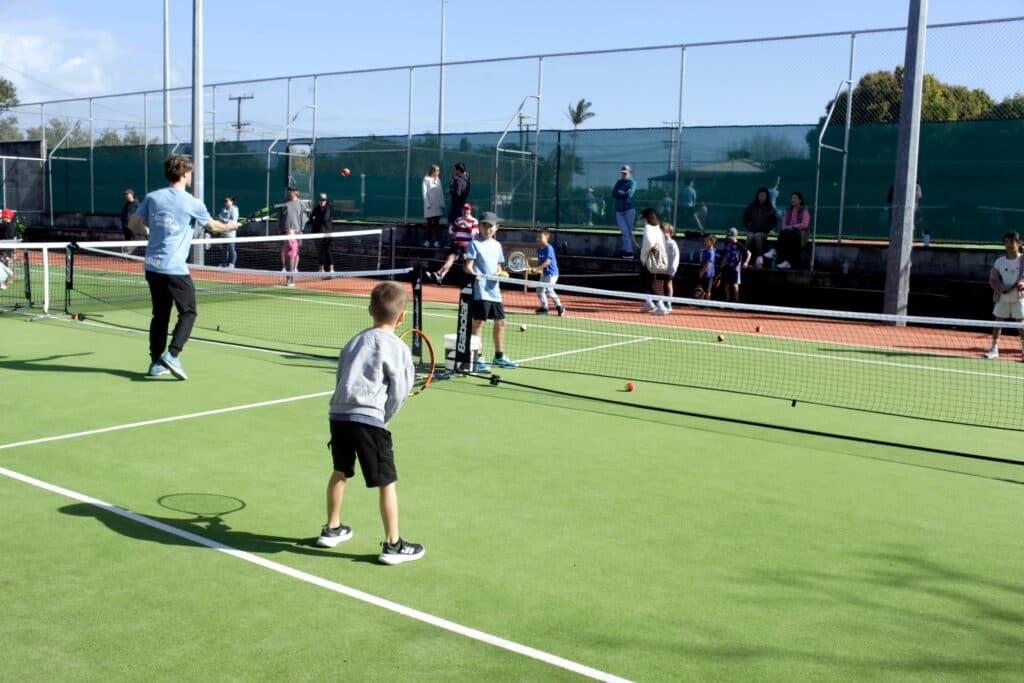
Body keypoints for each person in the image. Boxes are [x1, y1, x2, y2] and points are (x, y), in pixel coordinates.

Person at [316, 280, 425, 565]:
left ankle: (332, 529)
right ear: (402, 316)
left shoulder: (354, 341)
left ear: (369, 311)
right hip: (369, 420)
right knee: (386, 482)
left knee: (340, 471)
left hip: (338, 416)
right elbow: (400, 391)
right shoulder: (398, 348)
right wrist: (383, 418)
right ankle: (393, 545)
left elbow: (341, 376)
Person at [126, 154, 239, 379]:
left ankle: (155, 362)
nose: (191, 178)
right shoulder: (192, 202)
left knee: (160, 315)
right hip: (174, 268)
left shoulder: (152, 197)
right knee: (189, 312)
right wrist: (231, 226)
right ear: (185, 174)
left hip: (152, 266)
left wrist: (147, 231)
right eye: (190, 174)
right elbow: (214, 226)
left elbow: (133, 224)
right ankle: (172, 355)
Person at [464, 211, 518, 370]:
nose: (487, 229)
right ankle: (477, 357)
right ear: (479, 226)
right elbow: (468, 266)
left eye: (490, 226)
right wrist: (474, 275)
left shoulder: (497, 246)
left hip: (495, 292)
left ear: (496, 228)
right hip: (480, 290)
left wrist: (502, 273)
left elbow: (498, 267)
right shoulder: (474, 244)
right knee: (478, 323)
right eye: (484, 225)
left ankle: (499, 357)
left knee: (501, 322)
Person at [984, 231, 1024, 360]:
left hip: (1019, 298)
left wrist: (1023, 284)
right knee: (998, 324)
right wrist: (1002, 288)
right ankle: (994, 350)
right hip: (1003, 297)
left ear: (1018, 243)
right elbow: (993, 279)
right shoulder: (1000, 261)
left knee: (1021, 325)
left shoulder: (1023, 259)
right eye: (1006, 242)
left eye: (1011, 242)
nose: (1008, 245)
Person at [428, 203, 478, 284]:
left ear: (470, 211)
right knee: (450, 259)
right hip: (457, 245)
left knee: (457, 261)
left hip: (466, 247)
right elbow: (450, 231)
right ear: (462, 210)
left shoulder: (474, 221)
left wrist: (466, 226)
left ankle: (440, 273)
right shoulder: (458, 220)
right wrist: (457, 226)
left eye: (467, 209)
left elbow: (475, 234)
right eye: (464, 209)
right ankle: (441, 275)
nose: (465, 211)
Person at [638, 208, 667, 315]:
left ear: (646, 218)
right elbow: (661, 243)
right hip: (656, 260)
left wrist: (645, 254)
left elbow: (650, 243)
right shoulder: (658, 229)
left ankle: (660, 306)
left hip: (649, 260)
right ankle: (648, 302)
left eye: (642, 217)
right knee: (645, 281)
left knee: (649, 284)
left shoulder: (647, 228)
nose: (641, 219)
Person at [531, 228, 564, 316]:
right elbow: (540, 262)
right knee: (539, 290)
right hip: (545, 274)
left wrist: (537, 269)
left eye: (540, 237)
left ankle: (560, 306)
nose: (538, 239)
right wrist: (536, 269)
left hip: (552, 274)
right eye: (537, 237)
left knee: (549, 290)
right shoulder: (539, 249)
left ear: (547, 238)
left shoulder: (549, 248)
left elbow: (547, 262)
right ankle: (545, 308)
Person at [742, 186, 777, 268]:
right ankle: (745, 258)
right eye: (760, 195)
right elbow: (745, 216)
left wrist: (768, 228)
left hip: (764, 232)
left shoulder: (770, 208)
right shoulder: (752, 206)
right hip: (752, 230)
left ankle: (759, 259)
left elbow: (774, 220)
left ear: (766, 196)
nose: (762, 197)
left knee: (758, 236)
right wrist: (748, 224)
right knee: (749, 237)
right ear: (758, 196)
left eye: (764, 195)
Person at [279, 187, 306, 287]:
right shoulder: (284, 202)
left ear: (295, 193)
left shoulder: (301, 204)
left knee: (295, 253)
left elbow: (303, 217)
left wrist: (301, 230)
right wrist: (281, 228)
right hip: (285, 232)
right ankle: (286, 272)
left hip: (297, 232)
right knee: (286, 254)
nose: (289, 193)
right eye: (288, 191)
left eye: (291, 191)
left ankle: (293, 272)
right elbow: (280, 216)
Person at [777, 191, 809, 270]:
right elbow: (783, 224)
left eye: (795, 198)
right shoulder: (788, 211)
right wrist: (788, 227)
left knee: (791, 235)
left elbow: (805, 224)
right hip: (788, 232)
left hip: (798, 232)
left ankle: (787, 261)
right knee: (784, 233)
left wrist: (793, 226)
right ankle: (783, 260)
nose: (792, 200)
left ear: (800, 200)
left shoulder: (804, 211)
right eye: (792, 198)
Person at [612, 165, 637, 258]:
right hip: (619, 210)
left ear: (630, 173)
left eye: (625, 173)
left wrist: (619, 192)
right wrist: (623, 192)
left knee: (627, 232)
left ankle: (626, 251)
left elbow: (629, 194)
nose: (623, 174)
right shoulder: (619, 182)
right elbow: (613, 193)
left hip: (629, 210)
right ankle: (628, 252)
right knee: (624, 231)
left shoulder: (632, 182)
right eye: (622, 173)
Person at [656, 222, 680, 313]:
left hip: (669, 269)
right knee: (659, 284)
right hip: (660, 269)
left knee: (669, 284)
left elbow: (675, 256)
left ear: (669, 233)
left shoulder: (672, 244)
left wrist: (673, 269)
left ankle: (669, 303)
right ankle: (660, 303)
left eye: (664, 232)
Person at [720, 227, 747, 302]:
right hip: (727, 266)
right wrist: (723, 262)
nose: (730, 239)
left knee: (735, 284)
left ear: (736, 236)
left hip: (735, 268)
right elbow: (725, 254)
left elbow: (749, 253)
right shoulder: (727, 243)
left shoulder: (739, 245)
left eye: (731, 237)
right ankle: (727, 300)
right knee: (726, 284)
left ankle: (736, 301)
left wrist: (746, 262)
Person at [309, 193, 334, 272]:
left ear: (326, 200)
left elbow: (324, 219)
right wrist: (316, 219)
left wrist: (316, 218)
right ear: (319, 200)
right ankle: (321, 269)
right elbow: (310, 219)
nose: (322, 201)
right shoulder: (316, 209)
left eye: (324, 200)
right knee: (319, 252)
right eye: (321, 200)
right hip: (317, 233)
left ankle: (331, 269)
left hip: (327, 234)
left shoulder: (328, 208)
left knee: (327, 251)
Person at [422, 164, 444, 247]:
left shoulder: (438, 180)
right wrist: (427, 204)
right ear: (432, 171)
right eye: (437, 170)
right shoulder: (426, 179)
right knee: (429, 224)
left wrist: (442, 204)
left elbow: (441, 192)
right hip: (429, 206)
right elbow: (424, 192)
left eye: (439, 170)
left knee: (437, 224)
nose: (439, 172)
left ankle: (437, 241)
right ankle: (427, 241)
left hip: (437, 206)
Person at [447, 162, 470, 228]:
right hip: (462, 204)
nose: (454, 171)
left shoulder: (458, 180)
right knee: (460, 221)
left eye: (455, 170)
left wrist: (450, 190)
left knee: (452, 221)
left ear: (459, 170)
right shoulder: (467, 178)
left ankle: (453, 236)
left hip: (456, 206)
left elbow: (458, 193)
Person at [217, 196, 239, 268]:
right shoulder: (223, 209)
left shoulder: (234, 210)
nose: (225, 202)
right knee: (224, 250)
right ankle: (223, 263)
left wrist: (224, 220)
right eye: (225, 201)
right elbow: (220, 218)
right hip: (224, 232)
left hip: (231, 234)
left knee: (231, 249)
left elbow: (234, 221)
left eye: (227, 201)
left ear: (231, 201)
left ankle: (232, 264)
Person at [697, 234, 716, 299]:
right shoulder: (704, 250)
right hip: (703, 273)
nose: (705, 242)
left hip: (708, 275)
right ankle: (701, 304)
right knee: (702, 289)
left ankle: (707, 305)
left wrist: (702, 272)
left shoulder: (711, 252)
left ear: (712, 242)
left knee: (707, 291)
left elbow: (708, 264)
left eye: (707, 241)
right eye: (705, 240)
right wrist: (701, 271)